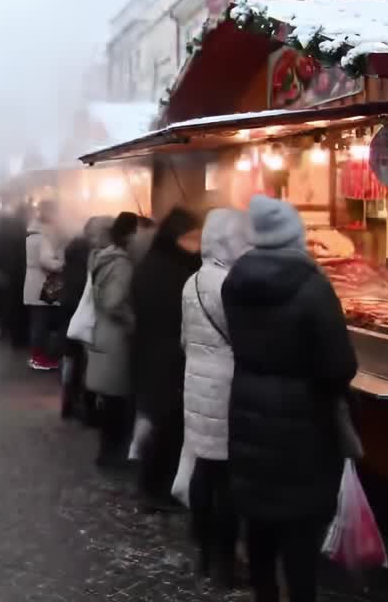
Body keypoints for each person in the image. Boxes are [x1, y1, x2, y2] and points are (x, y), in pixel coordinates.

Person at [223, 195, 358, 602]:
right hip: (304, 426)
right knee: (300, 536)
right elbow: (339, 366)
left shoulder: (234, 282)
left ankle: (264, 594)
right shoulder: (313, 287)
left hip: (247, 412)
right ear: (294, 236)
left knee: (260, 525)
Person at [180, 208, 252, 589]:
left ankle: (205, 552)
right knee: (226, 482)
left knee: (204, 472)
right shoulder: (229, 284)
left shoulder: (191, 282)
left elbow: (184, 339)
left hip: (197, 388)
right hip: (226, 390)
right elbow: (244, 338)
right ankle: (224, 562)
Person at [128, 206, 202, 512]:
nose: (197, 243)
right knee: (165, 424)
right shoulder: (164, 269)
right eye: (192, 237)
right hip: (164, 357)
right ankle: (155, 489)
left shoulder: (162, 262)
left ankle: (156, 485)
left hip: (159, 354)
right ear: (177, 237)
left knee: (164, 423)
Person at [87, 212, 138, 469]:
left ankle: (107, 451)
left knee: (108, 398)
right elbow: (113, 301)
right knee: (117, 399)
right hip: (116, 338)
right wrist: (132, 321)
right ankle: (112, 454)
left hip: (100, 332)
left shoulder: (98, 258)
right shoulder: (121, 264)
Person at [59, 216, 105, 422]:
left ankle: (67, 398)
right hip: (83, 308)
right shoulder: (92, 253)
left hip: (68, 306)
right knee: (86, 359)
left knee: (70, 356)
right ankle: (87, 406)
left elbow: (64, 276)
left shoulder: (71, 247)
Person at [23, 200, 64, 371]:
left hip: (35, 282)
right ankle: (39, 358)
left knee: (38, 321)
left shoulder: (32, 234)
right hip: (44, 283)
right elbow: (46, 261)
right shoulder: (43, 238)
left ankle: (37, 356)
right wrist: (61, 263)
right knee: (41, 323)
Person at [0, 205, 31, 349]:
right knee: (21, 307)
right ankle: (21, 338)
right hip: (21, 273)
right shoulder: (24, 231)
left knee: (13, 305)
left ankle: (15, 337)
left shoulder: (6, 229)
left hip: (10, 273)